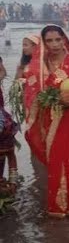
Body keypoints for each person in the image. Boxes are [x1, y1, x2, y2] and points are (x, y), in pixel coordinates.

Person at [23, 25, 69, 217]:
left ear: (65, 39)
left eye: (58, 39)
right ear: (44, 43)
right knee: (56, 160)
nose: (55, 44)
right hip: (50, 119)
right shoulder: (38, 66)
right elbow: (31, 95)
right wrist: (51, 100)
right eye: (50, 40)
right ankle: (58, 207)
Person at [0, 56, 19, 185]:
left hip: (3, 125)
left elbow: (3, 71)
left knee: (6, 150)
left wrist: (13, 182)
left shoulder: (5, 126)